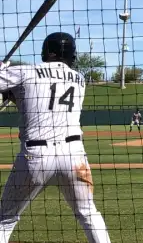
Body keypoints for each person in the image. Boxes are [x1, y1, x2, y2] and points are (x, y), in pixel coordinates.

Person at [0, 32, 111, 242]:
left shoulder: (26, 71)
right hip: (74, 157)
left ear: (47, 52)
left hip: (35, 156)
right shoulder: (79, 80)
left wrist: (2, 69)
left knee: (5, 218)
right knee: (88, 213)